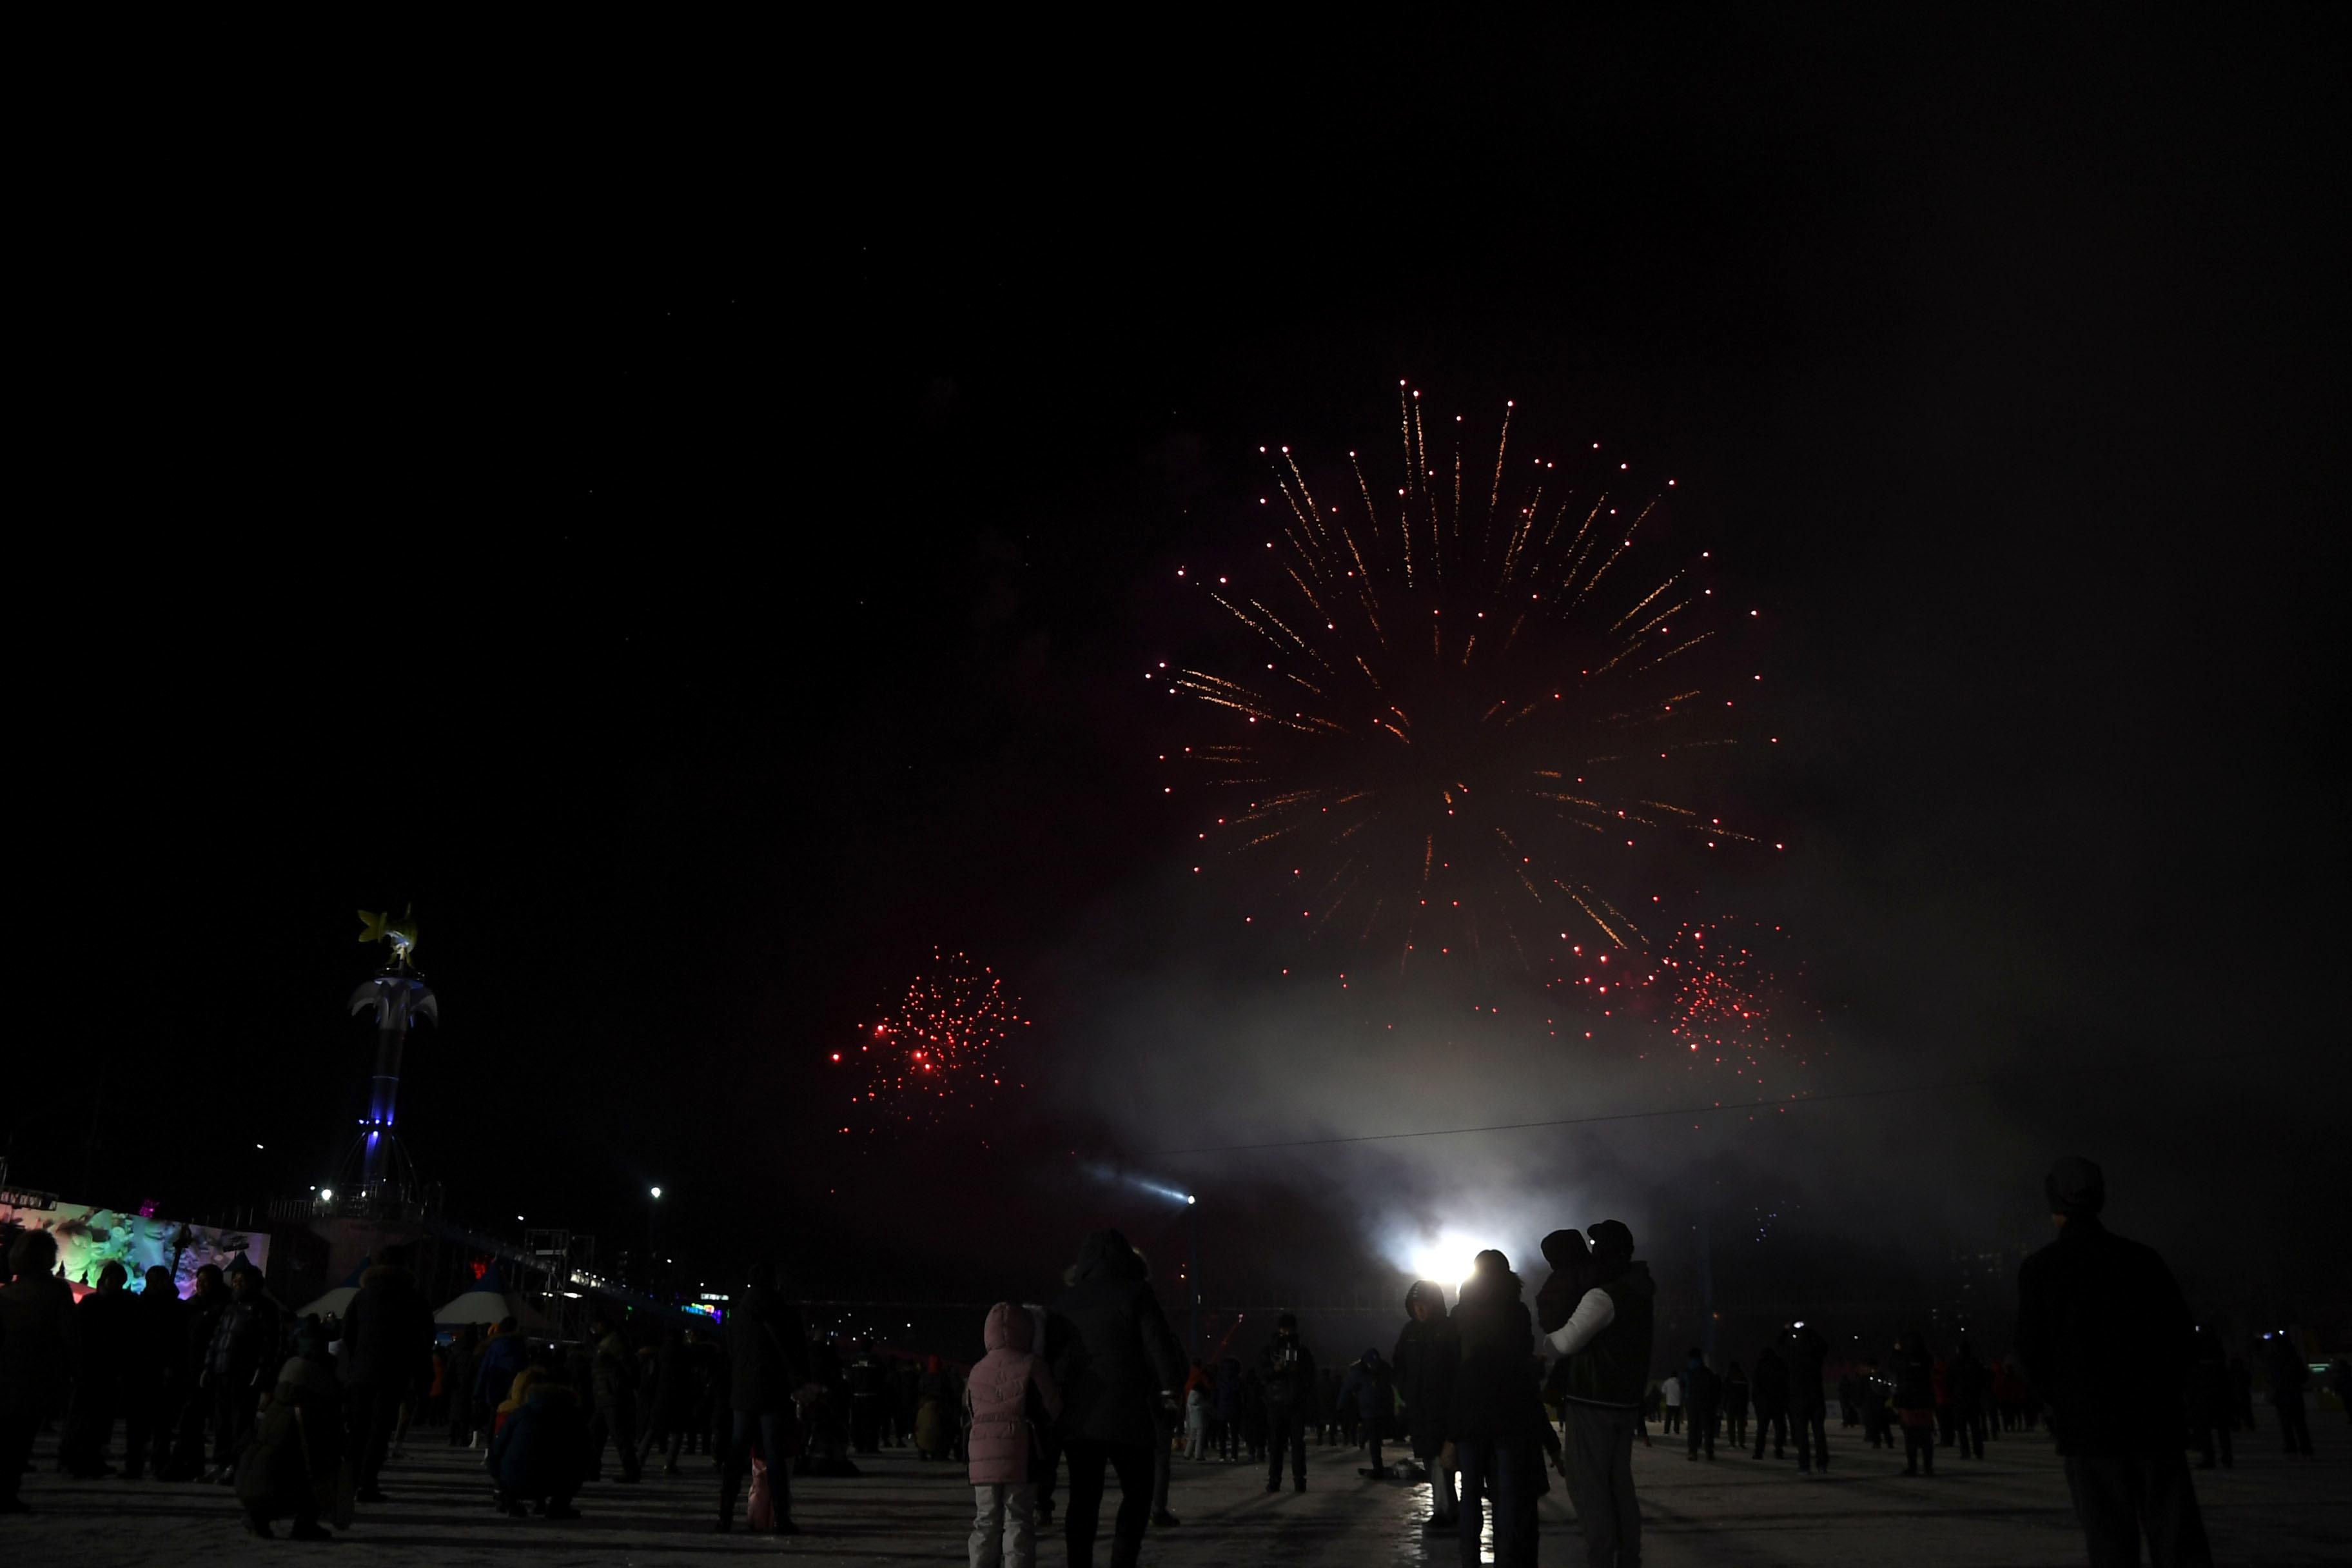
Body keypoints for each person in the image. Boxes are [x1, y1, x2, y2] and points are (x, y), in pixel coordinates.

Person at [2016, 1155, 2213, 1567]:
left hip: (2089, 1429)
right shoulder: (2142, 1260)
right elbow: (2183, 1340)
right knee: (2176, 1538)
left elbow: (2031, 1355)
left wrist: (2063, 1401)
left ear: (2054, 1205)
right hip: (2154, 1421)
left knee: (2110, 1543)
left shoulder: (2041, 1270)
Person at [1046, 1228, 1186, 1567]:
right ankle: (1123, 1560)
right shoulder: (1137, 1293)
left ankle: (1079, 1563)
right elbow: (1159, 1346)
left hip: (1081, 1414)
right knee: (1138, 1493)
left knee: (1083, 1497)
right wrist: (1169, 1392)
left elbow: (1052, 1355)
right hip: (1130, 1409)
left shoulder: (1066, 1301)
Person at [1547, 1220, 1654, 1568]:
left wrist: (1547, 1345)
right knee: (1618, 1483)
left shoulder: (1604, 1295)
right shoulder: (1640, 1291)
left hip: (1593, 1400)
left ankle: (1600, 1557)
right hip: (1624, 1402)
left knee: (1589, 1485)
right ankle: (1628, 1556)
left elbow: (1566, 1342)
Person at [1446, 1250, 1540, 1568]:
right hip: (1509, 1414)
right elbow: (1525, 1358)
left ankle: (1469, 1560)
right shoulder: (1518, 1311)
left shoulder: (1460, 1312)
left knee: (1469, 1494)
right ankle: (1506, 1560)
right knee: (1506, 1497)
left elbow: (1452, 1366)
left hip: (1470, 1414)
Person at [966, 1302, 1062, 1568]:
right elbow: (1053, 1407)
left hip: (982, 1456)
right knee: (1018, 1520)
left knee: (985, 1520)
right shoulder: (1033, 1365)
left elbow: (970, 1410)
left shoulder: (977, 1369)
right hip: (1021, 1454)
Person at [235, 1318, 346, 1539]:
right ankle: (304, 1523)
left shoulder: (283, 1389)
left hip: (260, 1468)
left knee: (275, 1471)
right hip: (300, 1449)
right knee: (317, 1472)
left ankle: (259, 1518)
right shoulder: (320, 1384)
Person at [718, 1260, 808, 1533]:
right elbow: (799, 1355)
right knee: (775, 1458)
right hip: (774, 1395)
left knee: (735, 1457)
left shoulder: (738, 1316)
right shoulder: (786, 1315)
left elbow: (730, 1355)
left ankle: (725, 1517)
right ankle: (780, 1518)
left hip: (743, 1395)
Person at [338, 1253, 434, 1501]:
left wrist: (356, 1362)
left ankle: (348, 1481)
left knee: (358, 1429)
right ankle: (368, 1483)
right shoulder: (414, 1299)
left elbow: (347, 1333)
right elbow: (424, 1341)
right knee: (380, 1431)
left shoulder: (362, 1297)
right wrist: (420, 1376)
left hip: (361, 1373)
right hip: (394, 1373)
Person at [0, 1231, 77, 1513]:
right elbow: (69, 1335)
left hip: (7, 1369)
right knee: (20, 1438)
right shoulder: (57, 1291)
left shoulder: (6, 1293)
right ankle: (7, 1491)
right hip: (37, 1372)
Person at [1394, 1279, 1460, 1533]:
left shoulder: (1448, 1330)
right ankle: (1446, 1509)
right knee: (1433, 1463)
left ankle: (1446, 1512)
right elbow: (1399, 1365)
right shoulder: (1409, 1332)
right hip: (1420, 1410)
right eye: (1416, 1305)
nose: (1421, 1310)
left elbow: (1456, 1367)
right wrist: (1404, 1394)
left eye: (1425, 1305)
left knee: (1441, 1461)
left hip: (1443, 1409)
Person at [206, 1263, 281, 1482]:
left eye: (241, 1281)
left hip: (245, 1375)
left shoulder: (265, 1308)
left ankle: (236, 1465)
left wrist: (263, 1374)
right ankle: (221, 1462)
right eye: (235, 1280)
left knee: (241, 1424)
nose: (236, 1284)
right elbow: (218, 1338)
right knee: (221, 1422)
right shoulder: (232, 1307)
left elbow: (271, 1345)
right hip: (223, 1370)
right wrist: (210, 1364)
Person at [61, 1260, 136, 1476]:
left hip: (111, 1368)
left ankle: (94, 1456)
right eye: (113, 1279)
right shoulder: (90, 1304)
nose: (116, 1283)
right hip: (90, 1366)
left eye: (119, 1280)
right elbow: (80, 1335)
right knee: (84, 1414)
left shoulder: (125, 1304)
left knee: (103, 1417)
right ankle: (75, 1456)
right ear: (104, 1280)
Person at [489, 1368, 587, 1519]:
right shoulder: (572, 1416)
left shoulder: (519, 1414)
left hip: (514, 1479)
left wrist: (497, 1475)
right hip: (554, 1480)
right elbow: (585, 1451)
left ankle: (510, 1502)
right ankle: (558, 1505)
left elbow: (497, 1448)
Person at [122, 1264, 186, 1480]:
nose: (156, 1285)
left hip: (164, 1371)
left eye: (160, 1281)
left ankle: (158, 1465)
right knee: (137, 1424)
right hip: (141, 1370)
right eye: (153, 1280)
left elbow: (180, 1341)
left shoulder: (176, 1309)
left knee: (162, 1424)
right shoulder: (139, 1305)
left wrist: (172, 1366)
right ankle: (134, 1464)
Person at [1259, 1312, 1317, 1493]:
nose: (1286, 1332)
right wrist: (1275, 1369)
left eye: (1289, 1329)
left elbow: (1311, 1375)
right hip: (1276, 1403)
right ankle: (1274, 1480)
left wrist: (1298, 1373)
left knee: (1297, 1444)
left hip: (1295, 1403)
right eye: (1283, 1329)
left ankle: (1299, 1480)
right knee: (1276, 1444)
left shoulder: (1302, 1351)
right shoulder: (1269, 1350)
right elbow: (1262, 1374)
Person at [587, 1313, 643, 1484]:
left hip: (612, 1396)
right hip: (606, 1395)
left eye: (595, 1325)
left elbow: (628, 1366)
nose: (594, 1329)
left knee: (619, 1436)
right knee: (597, 1434)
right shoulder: (608, 1342)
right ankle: (592, 1470)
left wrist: (622, 1385)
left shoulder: (614, 1342)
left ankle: (631, 1471)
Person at [472, 1317, 528, 1447]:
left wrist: (479, 1390)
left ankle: (490, 1448)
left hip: (494, 1384)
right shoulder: (520, 1346)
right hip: (513, 1386)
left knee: (493, 1416)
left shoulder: (494, 1345)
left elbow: (485, 1369)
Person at [1339, 1348, 1396, 1477]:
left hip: (1382, 1409)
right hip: (1369, 1411)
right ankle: (1377, 1465)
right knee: (1374, 1439)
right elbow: (1346, 1389)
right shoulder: (1358, 1372)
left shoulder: (1384, 1369)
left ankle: (1377, 1465)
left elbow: (1395, 1381)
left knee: (1377, 1438)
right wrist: (1339, 1407)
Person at [1785, 1322, 1829, 1473]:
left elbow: (1780, 1347)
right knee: (1819, 1433)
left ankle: (1804, 1465)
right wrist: (1811, 1332)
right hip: (1815, 1397)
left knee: (1802, 1435)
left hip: (1799, 1398)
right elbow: (1824, 1346)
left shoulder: (1793, 1356)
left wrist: (1787, 1331)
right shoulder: (1815, 1357)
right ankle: (1822, 1464)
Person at [2187, 1326, 2233, 1469]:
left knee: (2205, 1428)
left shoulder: (2197, 1360)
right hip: (2218, 1395)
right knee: (2222, 1429)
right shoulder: (2218, 1360)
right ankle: (2226, 1457)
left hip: (2203, 1395)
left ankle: (2210, 1458)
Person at [1892, 1333, 1937, 1475]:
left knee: (1910, 1436)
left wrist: (1896, 1350)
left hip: (1909, 1401)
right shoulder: (1926, 1358)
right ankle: (1928, 1467)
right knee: (1926, 1437)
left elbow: (1894, 1366)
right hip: (1924, 1401)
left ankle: (1913, 1466)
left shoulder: (1904, 1359)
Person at [2266, 1334, 2313, 1456]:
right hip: (2295, 1392)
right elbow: (2303, 1376)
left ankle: (2291, 1447)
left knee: (2286, 1424)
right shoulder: (2294, 1356)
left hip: (2282, 1393)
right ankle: (2306, 1448)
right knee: (2300, 1423)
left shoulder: (2274, 1359)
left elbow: (2272, 1377)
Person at [1749, 1339, 1789, 1459]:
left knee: (1762, 1429)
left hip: (1764, 1403)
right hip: (1778, 1402)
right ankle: (1779, 1450)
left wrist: (1757, 1402)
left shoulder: (1760, 1366)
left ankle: (1759, 1451)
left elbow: (1756, 1387)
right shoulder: (1780, 1365)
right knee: (1780, 1428)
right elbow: (1786, 1384)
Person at [1950, 1340, 1988, 1460]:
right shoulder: (1976, 1363)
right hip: (1974, 1399)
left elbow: (1949, 1381)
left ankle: (1965, 1452)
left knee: (1962, 1429)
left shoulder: (1956, 1363)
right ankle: (1979, 1451)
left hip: (1960, 1399)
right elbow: (1983, 1379)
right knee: (1975, 1428)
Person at [1682, 1349, 1720, 1462]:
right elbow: (1714, 1389)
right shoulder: (1708, 1372)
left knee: (1693, 1428)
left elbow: (1683, 1388)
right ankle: (1709, 1452)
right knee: (1708, 1428)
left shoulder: (1687, 1372)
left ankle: (1692, 1452)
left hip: (1692, 1403)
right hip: (1706, 1404)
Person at [1720, 1359, 1749, 1448]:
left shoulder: (1728, 1377)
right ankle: (1742, 1442)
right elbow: (1746, 1393)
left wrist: (1724, 1405)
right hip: (1741, 1404)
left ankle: (1732, 1442)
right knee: (1741, 1425)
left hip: (1731, 1403)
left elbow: (1724, 1392)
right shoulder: (1743, 1377)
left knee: (1731, 1424)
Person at [1658, 1370, 1681, 1435]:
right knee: (1677, 1419)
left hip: (1669, 1403)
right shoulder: (1679, 1382)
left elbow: (1663, 1391)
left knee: (1668, 1418)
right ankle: (1676, 1431)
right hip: (1678, 1403)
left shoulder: (1667, 1382)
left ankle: (1666, 1431)